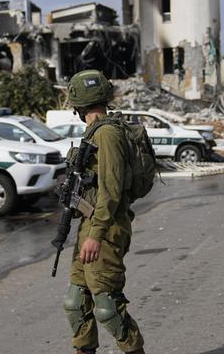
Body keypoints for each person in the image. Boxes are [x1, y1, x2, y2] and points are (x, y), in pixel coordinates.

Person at [61, 70, 145, 354]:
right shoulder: (94, 132)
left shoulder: (108, 133)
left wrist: (95, 235)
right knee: (75, 303)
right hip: (90, 225)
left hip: (106, 229)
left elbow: (111, 190)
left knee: (108, 308)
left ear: (78, 103)